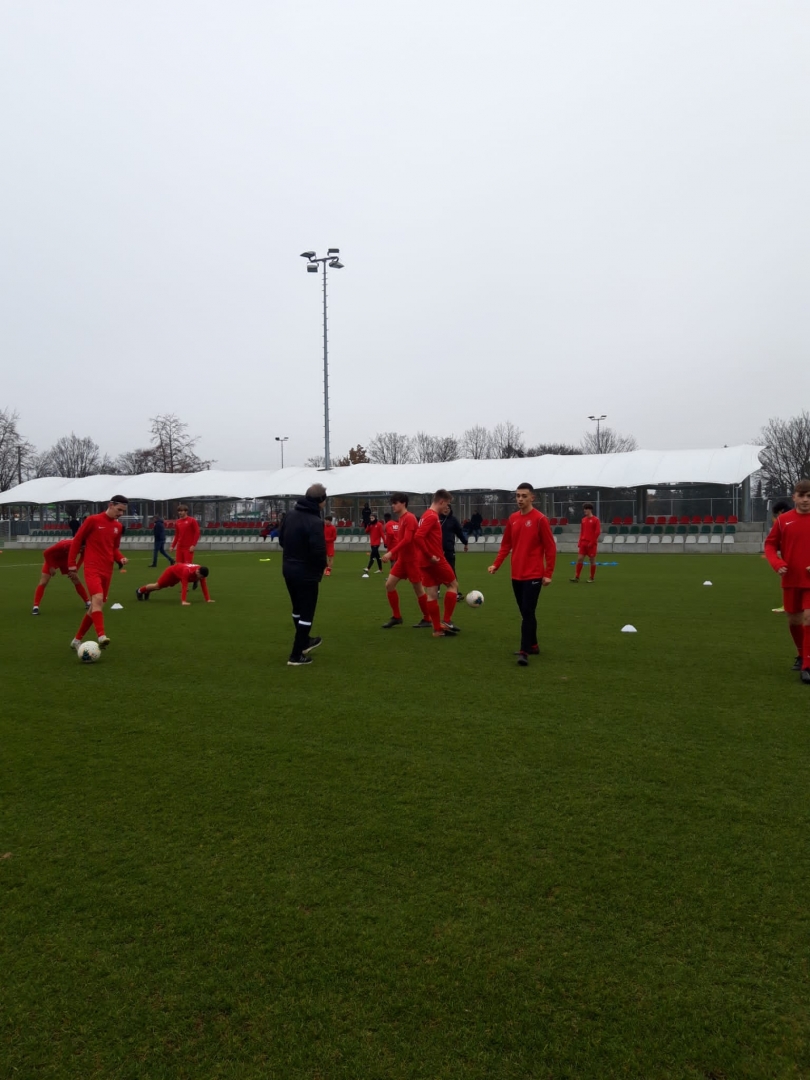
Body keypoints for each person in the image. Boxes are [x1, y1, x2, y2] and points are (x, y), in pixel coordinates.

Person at [488, 482, 556, 666]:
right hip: (516, 575)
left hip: (533, 574)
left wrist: (548, 573)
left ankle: (524, 651)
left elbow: (550, 548)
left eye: (524, 496)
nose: (520, 499)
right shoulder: (513, 519)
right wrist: (496, 564)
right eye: (518, 495)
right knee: (525, 612)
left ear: (532, 497)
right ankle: (533, 645)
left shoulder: (540, 519)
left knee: (527, 612)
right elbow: (506, 545)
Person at [68, 495, 129, 651]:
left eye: (123, 511)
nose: (121, 513)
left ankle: (76, 640)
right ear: (110, 505)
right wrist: (72, 564)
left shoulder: (118, 527)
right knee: (97, 598)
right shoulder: (93, 520)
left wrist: (120, 558)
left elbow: (114, 548)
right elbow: (77, 540)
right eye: (119, 510)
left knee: (97, 605)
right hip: (92, 567)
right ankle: (101, 635)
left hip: (107, 570)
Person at [764, 479, 810, 682]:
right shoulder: (783, 521)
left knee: (809, 619)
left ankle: (807, 667)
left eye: (809, 496)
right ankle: (802, 655)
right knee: (794, 621)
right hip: (791, 579)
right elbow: (770, 545)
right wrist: (776, 563)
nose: (806, 500)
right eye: (801, 496)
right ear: (794, 497)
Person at [280, 483, 328, 666]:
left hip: (288, 569)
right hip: (306, 573)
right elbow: (318, 551)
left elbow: (282, 540)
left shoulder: (290, 515)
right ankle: (296, 654)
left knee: (297, 609)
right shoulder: (315, 522)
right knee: (307, 613)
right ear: (321, 501)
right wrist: (319, 570)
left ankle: (305, 641)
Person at [414, 489, 462, 637]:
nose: (446, 508)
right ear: (441, 501)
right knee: (453, 585)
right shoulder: (432, 516)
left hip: (424, 561)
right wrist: (430, 556)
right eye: (446, 504)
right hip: (434, 560)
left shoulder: (425, 515)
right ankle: (446, 621)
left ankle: (437, 630)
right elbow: (418, 537)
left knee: (432, 594)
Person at [380, 493, 431, 629]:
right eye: (392, 503)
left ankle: (427, 618)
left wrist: (391, 552)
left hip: (412, 560)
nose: (393, 505)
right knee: (389, 585)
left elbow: (408, 540)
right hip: (402, 560)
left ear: (403, 503)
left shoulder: (409, 518)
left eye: (395, 503)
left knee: (418, 589)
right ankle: (397, 617)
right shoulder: (401, 519)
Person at [32, 538, 90, 614]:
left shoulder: (84, 547)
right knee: (43, 582)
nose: (81, 550)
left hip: (66, 561)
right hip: (52, 560)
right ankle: (35, 606)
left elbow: (82, 558)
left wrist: (75, 570)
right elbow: (46, 553)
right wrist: (51, 566)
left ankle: (87, 602)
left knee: (76, 579)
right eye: (81, 548)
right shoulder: (64, 545)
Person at [136, 563, 213, 605]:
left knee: (160, 587)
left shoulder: (200, 572)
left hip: (178, 575)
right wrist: (183, 601)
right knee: (158, 585)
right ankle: (139, 591)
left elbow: (204, 586)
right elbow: (184, 586)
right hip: (171, 572)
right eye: (201, 577)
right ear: (198, 572)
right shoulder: (187, 571)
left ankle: (147, 591)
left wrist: (208, 599)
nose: (201, 579)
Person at [768, 499, 793, 612]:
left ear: (781, 511)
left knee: (790, 581)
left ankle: (787, 605)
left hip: (792, 557)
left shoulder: (786, 520)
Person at [440, 503, 468, 601]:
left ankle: (455, 592)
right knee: (436, 570)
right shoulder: (436, 519)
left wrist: (465, 543)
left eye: (448, 508)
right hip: (437, 550)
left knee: (451, 570)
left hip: (449, 549)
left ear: (450, 509)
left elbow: (459, 533)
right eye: (444, 508)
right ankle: (436, 590)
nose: (446, 510)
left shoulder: (453, 520)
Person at [571, 502, 601, 582]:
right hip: (583, 543)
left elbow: (597, 532)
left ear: (590, 510)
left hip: (591, 544)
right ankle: (576, 577)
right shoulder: (583, 520)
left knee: (592, 560)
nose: (584, 510)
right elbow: (582, 531)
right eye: (584, 509)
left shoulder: (596, 520)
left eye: (586, 509)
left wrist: (592, 542)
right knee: (580, 559)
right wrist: (579, 542)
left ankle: (591, 578)